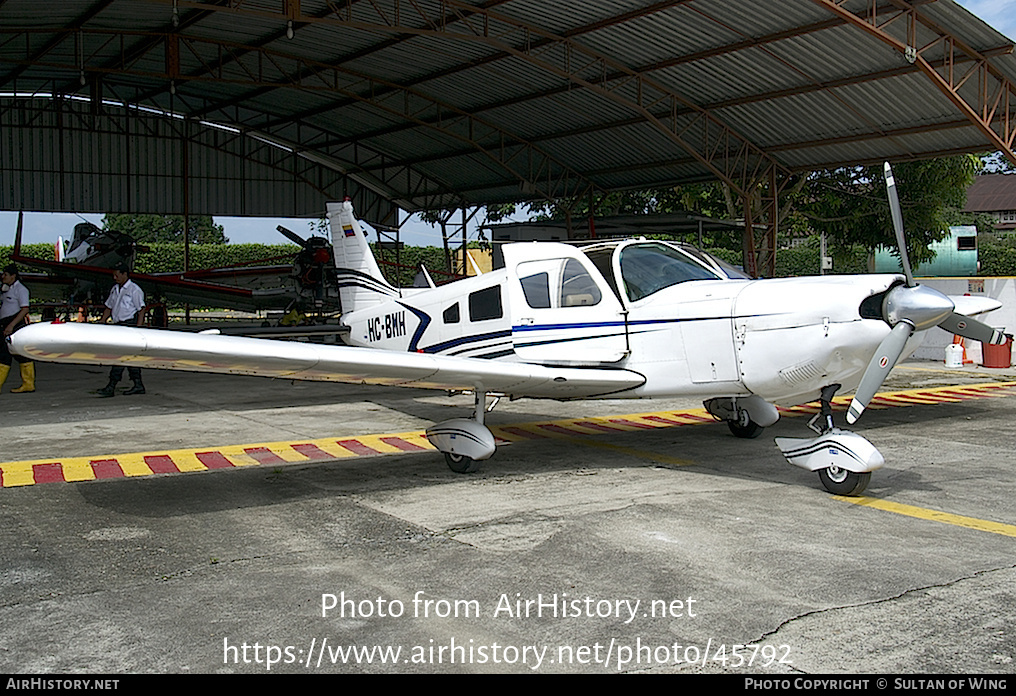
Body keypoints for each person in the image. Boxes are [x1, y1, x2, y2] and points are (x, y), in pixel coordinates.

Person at [97, 264, 146, 396]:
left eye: (117, 275)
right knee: (129, 356)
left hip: (129, 325)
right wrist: (102, 321)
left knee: (121, 355)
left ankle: (112, 385)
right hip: (119, 325)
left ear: (125, 274)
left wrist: (139, 327)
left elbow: (141, 309)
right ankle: (138, 384)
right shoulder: (115, 289)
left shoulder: (134, 290)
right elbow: (109, 306)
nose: (115, 277)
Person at [0, 263, 34, 393]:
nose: (3, 277)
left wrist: (11, 325)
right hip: (4, 323)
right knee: (9, 353)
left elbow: (25, 309)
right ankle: (28, 383)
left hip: (14, 323)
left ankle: (28, 383)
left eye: (6, 275)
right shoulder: (6, 289)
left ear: (13, 276)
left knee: (10, 353)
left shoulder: (21, 289)